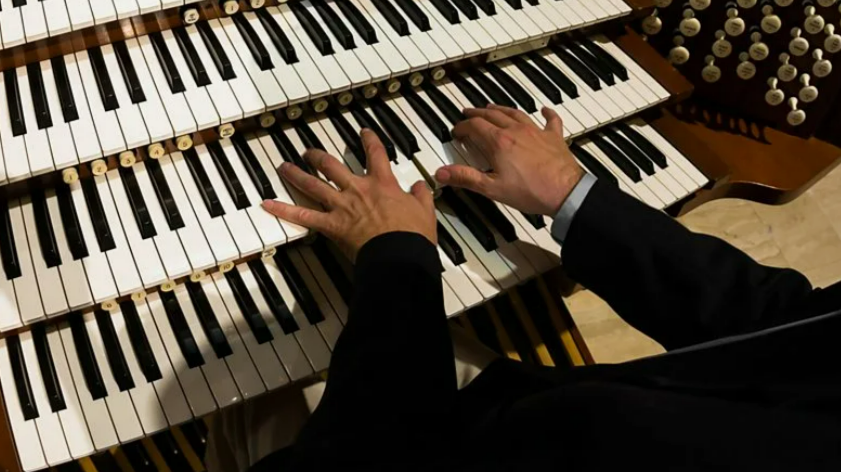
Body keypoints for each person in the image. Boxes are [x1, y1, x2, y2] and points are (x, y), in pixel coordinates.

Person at [204, 104, 841, 472]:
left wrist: (395, 254)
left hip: (437, 444)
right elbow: (787, 333)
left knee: (249, 373)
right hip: (533, 412)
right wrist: (574, 196)